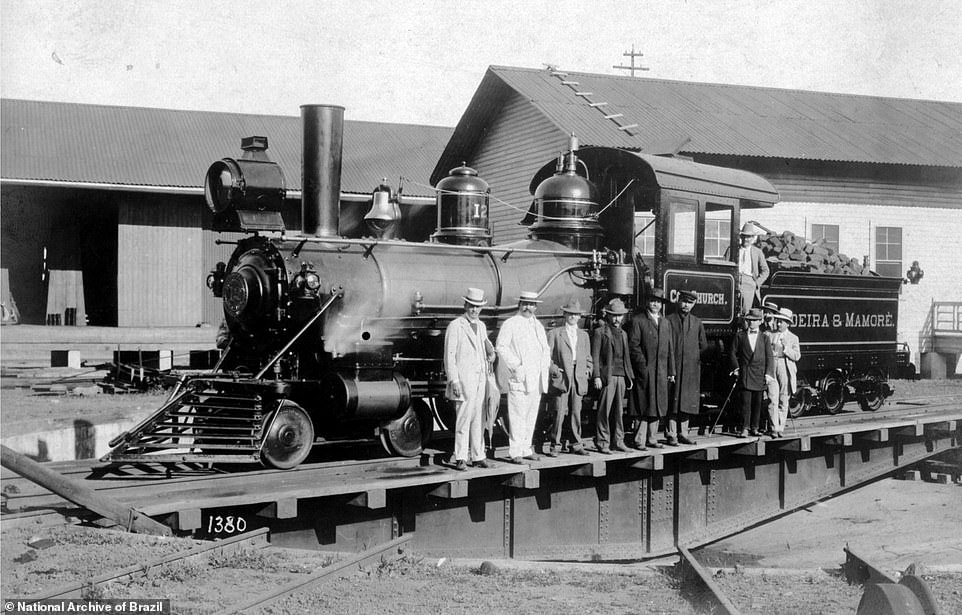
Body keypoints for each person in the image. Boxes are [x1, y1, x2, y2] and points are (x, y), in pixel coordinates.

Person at [444, 287, 497, 470]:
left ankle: (478, 455)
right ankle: (460, 457)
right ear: (465, 305)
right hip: (464, 381)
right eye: (471, 306)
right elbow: (449, 356)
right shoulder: (456, 326)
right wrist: (454, 381)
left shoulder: (481, 326)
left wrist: (492, 353)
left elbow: (486, 346)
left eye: (477, 307)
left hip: (480, 380)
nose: (474, 310)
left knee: (478, 418)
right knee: (463, 419)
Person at [496, 290, 550, 464]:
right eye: (525, 304)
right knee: (517, 415)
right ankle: (515, 452)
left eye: (532, 304)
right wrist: (516, 366)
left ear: (535, 307)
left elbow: (545, 349)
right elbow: (501, 346)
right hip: (520, 377)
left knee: (531, 415)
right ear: (519, 304)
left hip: (537, 378)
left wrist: (545, 367)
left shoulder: (538, 325)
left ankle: (527, 449)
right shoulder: (511, 323)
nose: (528, 307)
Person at [626, 289, 674, 450]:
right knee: (643, 405)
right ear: (648, 302)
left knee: (657, 405)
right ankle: (639, 440)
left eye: (658, 302)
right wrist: (643, 367)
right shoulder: (638, 321)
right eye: (653, 301)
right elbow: (634, 346)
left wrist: (671, 371)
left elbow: (670, 349)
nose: (655, 304)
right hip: (645, 372)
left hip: (661, 372)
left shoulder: (666, 322)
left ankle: (652, 439)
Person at [544, 300, 592, 456]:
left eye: (576, 314)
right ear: (565, 315)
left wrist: (588, 370)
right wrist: (555, 371)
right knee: (559, 412)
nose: (573, 317)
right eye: (570, 313)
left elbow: (589, 357)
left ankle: (576, 444)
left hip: (578, 376)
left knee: (576, 412)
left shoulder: (584, 335)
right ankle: (555, 445)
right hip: (562, 377)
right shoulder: (555, 333)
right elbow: (546, 357)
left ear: (580, 317)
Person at [665, 289, 708, 446]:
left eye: (690, 303)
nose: (686, 305)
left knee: (686, 401)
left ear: (694, 304)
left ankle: (683, 433)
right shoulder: (668, 321)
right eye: (684, 301)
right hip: (673, 368)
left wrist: (691, 356)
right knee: (672, 401)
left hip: (690, 369)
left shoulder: (697, 323)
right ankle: (671, 434)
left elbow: (703, 345)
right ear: (678, 301)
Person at [592, 298, 635, 454]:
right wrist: (596, 376)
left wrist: (629, 376)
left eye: (620, 316)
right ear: (608, 316)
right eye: (614, 316)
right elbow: (595, 356)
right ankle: (602, 442)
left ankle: (618, 441)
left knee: (618, 412)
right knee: (604, 411)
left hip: (621, 376)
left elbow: (626, 357)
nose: (617, 319)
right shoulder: (599, 332)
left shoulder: (623, 334)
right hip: (607, 377)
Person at [728, 307, 775, 437]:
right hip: (746, 374)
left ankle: (755, 427)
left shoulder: (765, 338)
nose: (751, 323)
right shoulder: (740, 335)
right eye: (749, 320)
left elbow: (769, 357)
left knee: (757, 403)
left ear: (760, 321)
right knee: (745, 403)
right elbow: (732, 353)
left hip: (760, 375)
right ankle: (745, 428)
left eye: (754, 320)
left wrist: (769, 374)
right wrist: (736, 368)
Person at [768, 307, 801, 438]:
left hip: (785, 367)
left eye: (781, 322)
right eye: (778, 321)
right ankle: (774, 428)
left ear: (787, 323)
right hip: (772, 366)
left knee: (783, 398)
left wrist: (786, 348)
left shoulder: (793, 338)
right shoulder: (770, 335)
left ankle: (781, 427)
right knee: (772, 398)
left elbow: (797, 356)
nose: (779, 324)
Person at [736, 222, 770, 316]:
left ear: (753, 238)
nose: (746, 239)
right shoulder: (733, 249)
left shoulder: (757, 252)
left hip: (749, 283)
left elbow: (766, 271)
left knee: (745, 312)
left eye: (749, 237)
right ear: (741, 237)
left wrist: (756, 283)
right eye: (744, 236)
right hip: (734, 281)